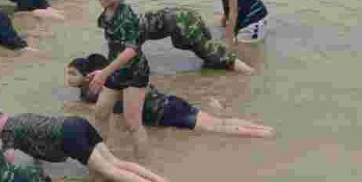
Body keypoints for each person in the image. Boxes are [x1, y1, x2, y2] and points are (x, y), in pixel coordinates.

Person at [67, 57, 275, 138]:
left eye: (72, 73)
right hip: (171, 103)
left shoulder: (111, 90)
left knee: (218, 127)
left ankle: (264, 134)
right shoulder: (118, 83)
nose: (68, 78)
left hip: (168, 112)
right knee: (219, 123)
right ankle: (264, 130)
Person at [0, 107, 168, 182]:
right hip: (76, 122)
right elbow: (37, 141)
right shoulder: (20, 118)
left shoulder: (8, 129)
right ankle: (159, 180)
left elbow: (7, 160)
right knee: (115, 162)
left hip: (68, 136)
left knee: (109, 171)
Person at [86, 0, 152, 137]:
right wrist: (104, 71)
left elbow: (130, 51)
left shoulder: (126, 16)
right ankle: (102, 157)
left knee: (133, 125)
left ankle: (144, 162)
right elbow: (115, 47)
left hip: (134, 72)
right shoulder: (106, 13)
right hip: (116, 70)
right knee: (100, 113)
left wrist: (104, 74)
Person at [139, 6, 256, 73]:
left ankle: (250, 72)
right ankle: (219, 55)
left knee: (215, 55)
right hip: (188, 15)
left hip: (183, 24)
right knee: (204, 47)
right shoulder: (133, 20)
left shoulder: (129, 31)